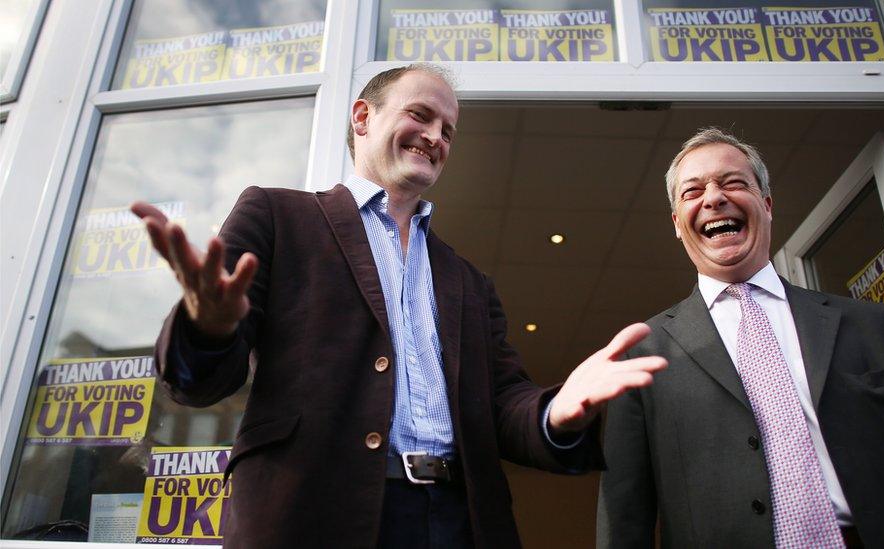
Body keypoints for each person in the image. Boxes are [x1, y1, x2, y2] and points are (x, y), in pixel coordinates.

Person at [131, 64, 667, 549]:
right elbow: (198, 384)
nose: (435, 137)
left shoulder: (467, 280)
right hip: (314, 517)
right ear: (363, 117)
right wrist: (208, 326)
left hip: (457, 520)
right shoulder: (278, 216)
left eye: (448, 131)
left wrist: (556, 411)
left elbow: (502, 403)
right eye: (421, 115)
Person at [596, 127, 884, 548]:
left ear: (767, 204)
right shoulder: (642, 353)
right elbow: (624, 515)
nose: (714, 197)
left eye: (734, 182)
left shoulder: (874, 326)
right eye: (693, 191)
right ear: (676, 223)